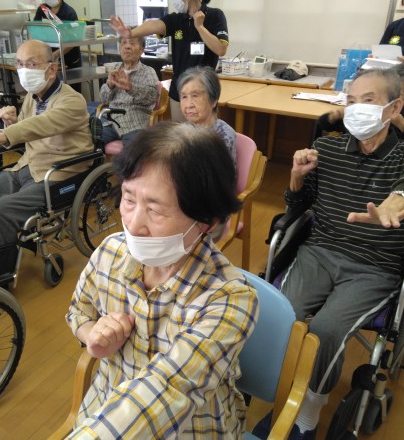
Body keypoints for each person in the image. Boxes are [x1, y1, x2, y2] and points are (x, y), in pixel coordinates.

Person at [252, 68, 404, 440]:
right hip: (319, 252)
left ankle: (308, 413)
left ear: (394, 107)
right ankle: (283, 390)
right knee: (286, 315)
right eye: (351, 101)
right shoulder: (328, 149)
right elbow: (297, 206)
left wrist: (393, 203)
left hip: (374, 266)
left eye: (368, 100)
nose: (357, 108)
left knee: (326, 329)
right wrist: (296, 176)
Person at [65, 122, 259, 438]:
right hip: (105, 404)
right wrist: (93, 337)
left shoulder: (229, 298)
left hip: (194, 427)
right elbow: (78, 311)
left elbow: (168, 387)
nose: (133, 224)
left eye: (155, 210)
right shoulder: (110, 252)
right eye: (129, 199)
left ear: (206, 222)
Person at [0, 40, 93, 286]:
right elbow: (28, 129)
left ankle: (0, 281)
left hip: (58, 174)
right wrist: (11, 123)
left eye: (32, 64)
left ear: (52, 69)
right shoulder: (32, 98)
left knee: (0, 211)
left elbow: (43, 124)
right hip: (26, 167)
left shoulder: (72, 101)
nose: (24, 70)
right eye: (19, 64)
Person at [110, 0, 228, 122]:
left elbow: (221, 49)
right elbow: (153, 25)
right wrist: (131, 33)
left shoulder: (215, 15)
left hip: (204, 92)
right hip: (179, 93)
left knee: (202, 133)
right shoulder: (176, 19)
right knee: (179, 133)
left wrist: (200, 27)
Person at [316, 63, 404, 144]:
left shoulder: (401, 119)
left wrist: (399, 121)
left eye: (398, 93)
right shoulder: (359, 111)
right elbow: (324, 124)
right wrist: (336, 115)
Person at [98, 35, 159, 146]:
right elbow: (103, 99)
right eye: (124, 43)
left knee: (133, 151)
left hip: (135, 123)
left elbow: (152, 97)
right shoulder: (115, 69)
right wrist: (110, 85)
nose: (127, 47)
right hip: (111, 122)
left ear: (141, 50)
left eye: (132, 43)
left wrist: (131, 88)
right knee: (91, 142)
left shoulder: (148, 71)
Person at [178, 65, 237, 164]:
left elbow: (214, 172)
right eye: (184, 97)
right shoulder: (182, 130)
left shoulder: (223, 136)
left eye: (195, 96)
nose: (188, 105)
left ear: (213, 101)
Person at [33, 0, 81, 92]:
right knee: (51, 92)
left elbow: (73, 40)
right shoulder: (42, 10)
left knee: (70, 93)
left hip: (68, 61)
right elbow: (36, 31)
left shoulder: (69, 13)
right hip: (49, 61)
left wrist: (54, 55)